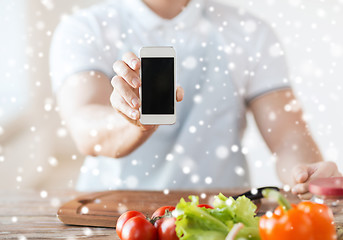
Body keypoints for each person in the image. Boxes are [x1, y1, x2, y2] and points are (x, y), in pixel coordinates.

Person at [50, 0, 341, 199]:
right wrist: (133, 121)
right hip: (112, 220)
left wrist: (306, 173)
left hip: (221, 219)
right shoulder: (84, 29)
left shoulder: (250, 33)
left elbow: (288, 136)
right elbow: (86, 127)